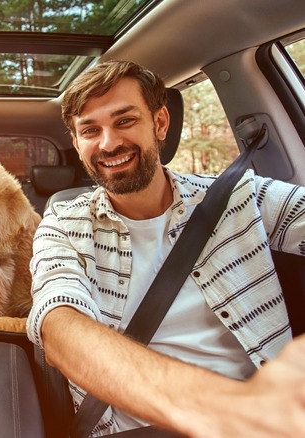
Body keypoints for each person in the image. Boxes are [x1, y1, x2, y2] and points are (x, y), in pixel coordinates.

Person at [26, 59, 305, 437]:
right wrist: (230, 410)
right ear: (77, 144)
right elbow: (59, 327)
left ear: (159, 123)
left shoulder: (240, 196)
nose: (109, 143)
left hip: (273, 419)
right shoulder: (63, 225)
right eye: (90, 130)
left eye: (125, 120)